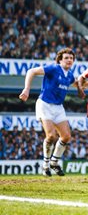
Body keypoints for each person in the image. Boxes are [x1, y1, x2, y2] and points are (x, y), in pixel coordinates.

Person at [19, 48, 82, 177]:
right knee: (51, 136)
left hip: (58, 107)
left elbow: (75, 83)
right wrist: (26, 89)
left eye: (71, 58)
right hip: (45, 104)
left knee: (66, 136)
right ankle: (45, 165)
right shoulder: (53, 68)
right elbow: (32, 71)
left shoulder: (69, 75)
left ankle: (54, 162)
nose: (69, 60)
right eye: (66, 58)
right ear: (60, 60)